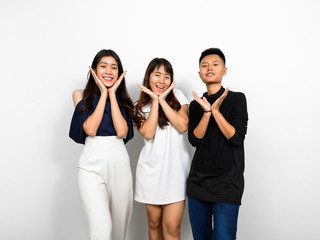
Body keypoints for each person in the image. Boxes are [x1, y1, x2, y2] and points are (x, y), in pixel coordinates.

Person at [69, 49, 134, 240]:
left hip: (119, 161)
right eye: (103, 66)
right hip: (91, 163)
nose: (108, 71)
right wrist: (104, 94)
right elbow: (90, 128)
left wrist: (112, 94)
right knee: (102, 231)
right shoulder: (80, 95)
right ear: (94, 70)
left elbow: (122, 132)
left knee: (118, 232)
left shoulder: (123, 101)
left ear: (119, 72)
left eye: (114, 67)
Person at [187, 48, 248, 240]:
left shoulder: (237, 98)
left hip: (228, 184)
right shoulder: (196, 104)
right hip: (198, 184)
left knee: (224, 237)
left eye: (215, 64)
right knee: (201, 237)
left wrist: (215, 111)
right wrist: (206, 112)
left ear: (224, 70)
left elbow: (236, 138)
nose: (209, 68)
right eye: (204, 65)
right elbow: (195, 140)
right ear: (199, 73)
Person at [133, 58, 190, 240]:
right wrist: (155, 102)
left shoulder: (179, 96)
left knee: (172, 228)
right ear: (148, 77)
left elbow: (182, 126)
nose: (162, 80)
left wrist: (163, 100)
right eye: (157, 75)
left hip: (176, 173)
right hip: (150, 172)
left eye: (167, 76)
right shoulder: (139, 107)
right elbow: (148, 134)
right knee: (154, 222)